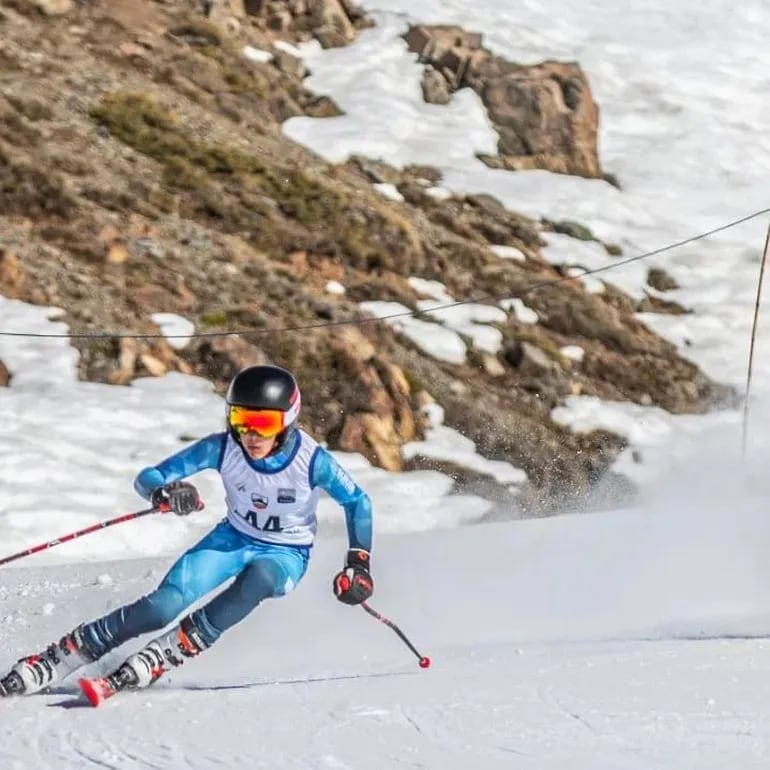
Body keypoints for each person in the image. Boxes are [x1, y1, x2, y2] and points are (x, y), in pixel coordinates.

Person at [0, 364, 374, 697]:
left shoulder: (312, 462)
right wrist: (164, 492)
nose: (251, 434)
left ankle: (168, 651)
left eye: (264, 423)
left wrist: (359, 562)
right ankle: (60, 657)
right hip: (232, 538)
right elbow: (150, 476)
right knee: (162, 606)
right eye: (241, 419)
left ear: (287, 422)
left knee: (259, 579)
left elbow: (358, 503)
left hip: (284, 553)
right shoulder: (224, 447)